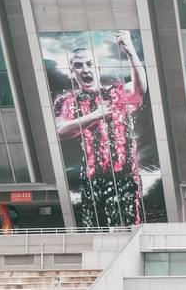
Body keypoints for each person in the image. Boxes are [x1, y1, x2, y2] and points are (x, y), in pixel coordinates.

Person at [54, 32, 148, 228]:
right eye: (78, 66)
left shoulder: (115, 93)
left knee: (129, 230)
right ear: (72, 72)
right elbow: (60, 131)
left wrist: (130, 51)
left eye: (89, 64)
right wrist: (95, 115)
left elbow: (139, 89)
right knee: (95, 231)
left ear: (97, 67)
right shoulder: (67, 101)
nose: (84, 69)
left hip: (124, 176)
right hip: (92, 180)